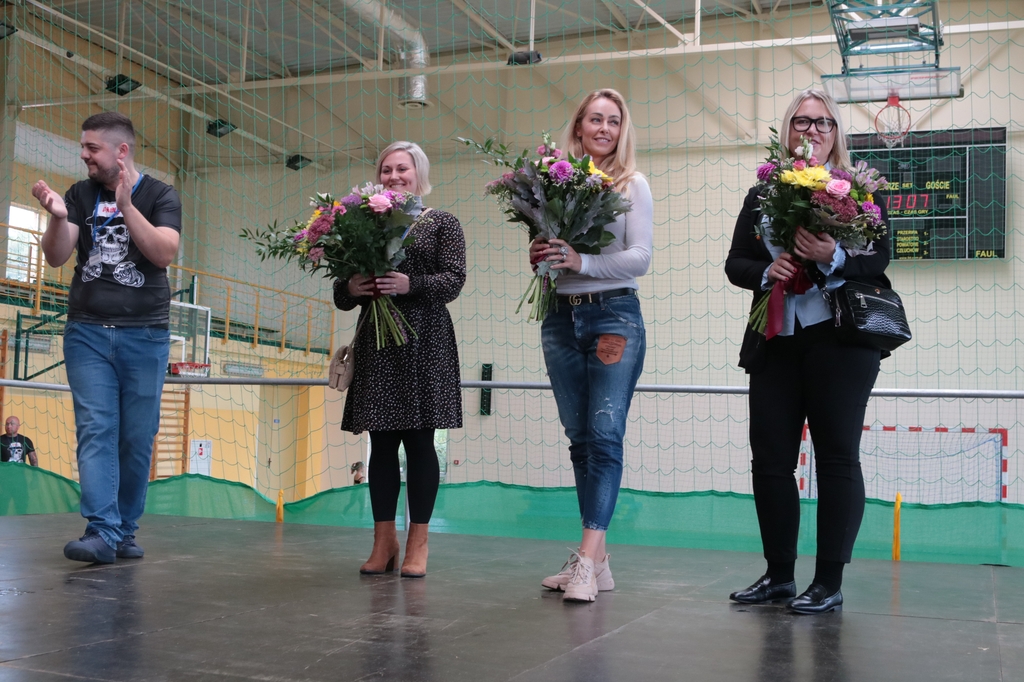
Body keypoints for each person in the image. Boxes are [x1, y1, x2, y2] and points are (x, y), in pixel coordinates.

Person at [724, 89, 891, 614]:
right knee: (771, 461)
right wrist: (765, 270)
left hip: (841, 342)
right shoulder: (762, 194)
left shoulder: (859, 191)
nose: (812, 130)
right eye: (801, 121)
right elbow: (735, 263)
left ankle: (827, 582)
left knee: (837, 458)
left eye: (822, 122)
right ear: (788, 130)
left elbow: (880, 259)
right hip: (776, 338)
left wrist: (833, 253)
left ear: (835, 132)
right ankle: (778, 576)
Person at [32, 111, 182, 564]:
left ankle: (123, 530)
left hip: (145, 335)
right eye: (83, 147)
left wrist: (127, 206)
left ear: (122, 151)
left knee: (137, 437)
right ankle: (101, 529)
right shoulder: (80, 194)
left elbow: (163, 253)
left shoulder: (161, 195)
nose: (84, 155)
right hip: (88, 332)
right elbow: (57, 256)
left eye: (92, 148)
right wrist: (58, 218)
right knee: (96, 428)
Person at [531, 89, 653, 602]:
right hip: (560, 317)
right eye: (595, 119)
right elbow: (550, 254)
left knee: (604, 436)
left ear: (622, 130)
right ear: (579, 126)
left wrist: (582, 262)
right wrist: (541, 255)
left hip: (613, 317)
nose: (604, 128)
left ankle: (587, 559)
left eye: (614, 121)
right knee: (580, 439)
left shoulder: (632, 184)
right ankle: (596, 563)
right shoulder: (554, 184)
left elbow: (640, 257)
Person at [333, 141, 466, 578]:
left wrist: (411, 285)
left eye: (402, 169)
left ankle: (418, 544)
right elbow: (341, 292)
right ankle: (383, 541)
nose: (394, 176)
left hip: (426, 340)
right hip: (377, 340)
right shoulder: (361, 223)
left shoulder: (442, 222)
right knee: (382, 444)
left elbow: (454, 280)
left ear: (419, 174)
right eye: (386, 169)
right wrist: (352, 288)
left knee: (421, 443)